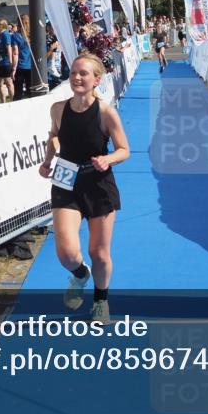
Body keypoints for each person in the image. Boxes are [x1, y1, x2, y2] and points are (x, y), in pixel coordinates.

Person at [38, 55, 130, 324]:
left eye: (83, 74)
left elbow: (124, 149)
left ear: (97, 80)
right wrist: (47, 161)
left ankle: (101, 300)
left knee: (98, 253)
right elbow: (54, 135)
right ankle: (80, 274)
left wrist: (107, 159)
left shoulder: (105, 112)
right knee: (66, 253)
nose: (77, 78)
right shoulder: (58, 109)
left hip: (98, 184)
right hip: (66, 181)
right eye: (73, 73)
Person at [0, 19, 16, 103]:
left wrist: (10, 61)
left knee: (8, 82)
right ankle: (3, 101)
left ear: (2, 25)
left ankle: (12, 101)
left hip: (6, 62)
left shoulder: (5, 34)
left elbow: (9, 48)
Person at [12, 15, 34, 100]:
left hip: (20, 66)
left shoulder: (15, 36)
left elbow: (15, 53)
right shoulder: (33, 34)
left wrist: (13, 69)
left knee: (18, 92)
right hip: (31, 66)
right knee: (30, 92)